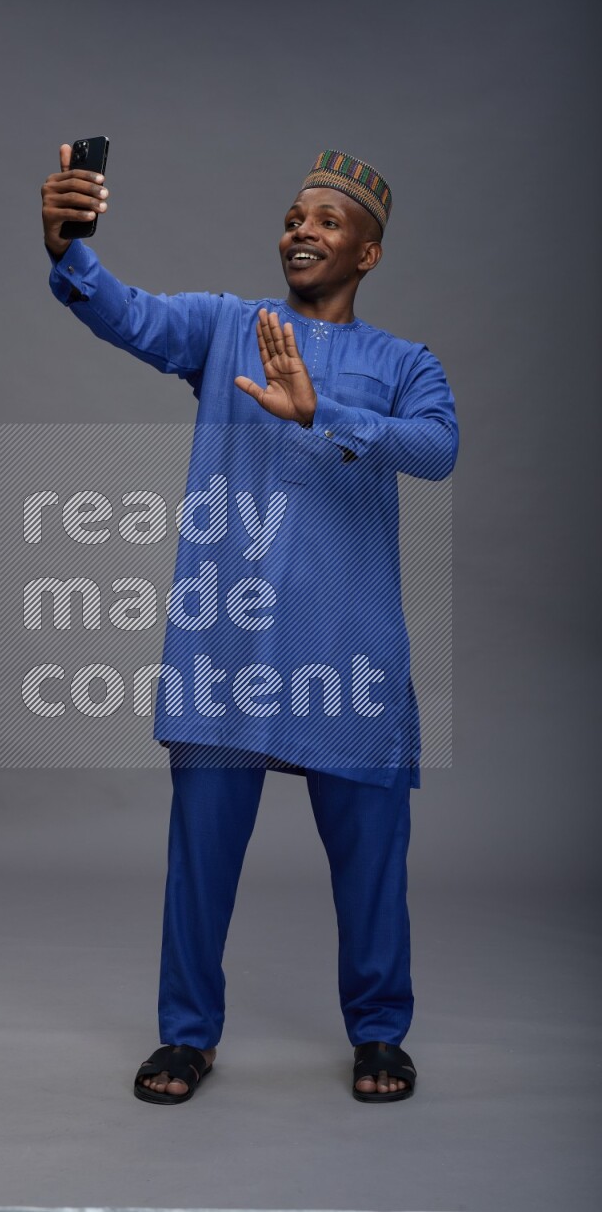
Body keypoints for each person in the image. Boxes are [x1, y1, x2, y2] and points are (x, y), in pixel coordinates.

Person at [41, 143, 459, 1104]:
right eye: (293, 217)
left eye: (326, 220)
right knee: (198, 860)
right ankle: (186, 1036)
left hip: (349, 656)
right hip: (228, 650)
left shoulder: (403, 362)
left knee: (371, 871)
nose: (300, 230)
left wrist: (325, 419)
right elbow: (129, 313)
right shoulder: (230, 329)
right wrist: (70, 249)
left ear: (368, 253)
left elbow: (439, 450)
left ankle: (380, 1035)